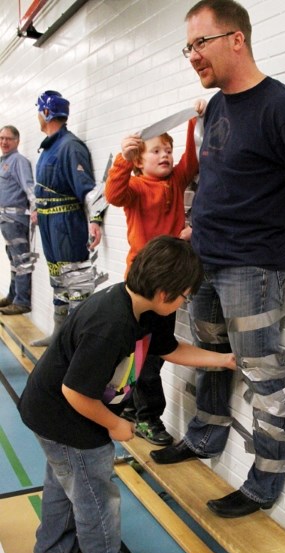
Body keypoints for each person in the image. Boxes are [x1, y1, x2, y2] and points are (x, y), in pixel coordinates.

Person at [151, 0, 285, 518]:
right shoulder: (219, 107)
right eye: (188, 47)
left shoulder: (282, 108)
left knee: (264, 377)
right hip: (202, 263)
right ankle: (205, 437)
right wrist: (192, 225)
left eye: (199, 44)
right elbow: (215, 178)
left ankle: (264, 482)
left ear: (236, 40)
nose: (192, 56)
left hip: (251, 270)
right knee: (213, 354)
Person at [18, 235, 236, 553]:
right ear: (165, 293)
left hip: (60, 410)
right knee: (94, 492)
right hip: (61, 414)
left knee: (64, 479)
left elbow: (168, 348)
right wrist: (116, 424)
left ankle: (53, 548)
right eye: (184, 296)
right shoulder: (111, 323)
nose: (186, 301)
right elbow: (74, 391)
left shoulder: (151, 310)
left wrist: (223, 359)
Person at [105, 101, 205, 445]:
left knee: (154, 351)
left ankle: (134, 407)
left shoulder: (176, 180)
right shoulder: (135, 188)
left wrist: (195, 121)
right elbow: (113, 193)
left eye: (168, 150)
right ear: (139, 161)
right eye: (155, 151)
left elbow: (191, 161)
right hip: (144, 284)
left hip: (169, 282)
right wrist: (122, 158)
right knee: (143, 355)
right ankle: (147, 417)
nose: (165, 156)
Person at [31, 90, 104, 346]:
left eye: (39, 111)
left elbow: (88, 189)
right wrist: (38, 207)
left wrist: (96, 220)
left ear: (47, 112)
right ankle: (59, 336)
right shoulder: (49, 148)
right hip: (50, 225)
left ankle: (73, 346)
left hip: (66, 224)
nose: (38, 116)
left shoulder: (70, 147)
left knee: (75, 282)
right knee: (58, 280)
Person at [0, 125, 35, 315]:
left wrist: (36, 208)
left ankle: (22, 301)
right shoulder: (3, 161)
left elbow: (29, 186)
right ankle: (13, 296)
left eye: (8, 139)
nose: (4, 142)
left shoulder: (18, 161)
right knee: (13, 258)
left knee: (21, 259)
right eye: (1, 138)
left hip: (15, 219)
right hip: (5, 219)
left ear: (17, 141)